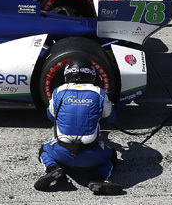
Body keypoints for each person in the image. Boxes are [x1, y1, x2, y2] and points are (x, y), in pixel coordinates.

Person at [34, 57, 122, 195]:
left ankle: (52, 169)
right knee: (112, 155)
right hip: (91, 156)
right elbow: (111, 118)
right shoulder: (99, 93)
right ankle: (99, 178)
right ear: (92, 75)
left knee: (43, 150)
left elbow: (50, 116)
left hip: (62, 153)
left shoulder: (58, 92)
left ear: (67, 74)